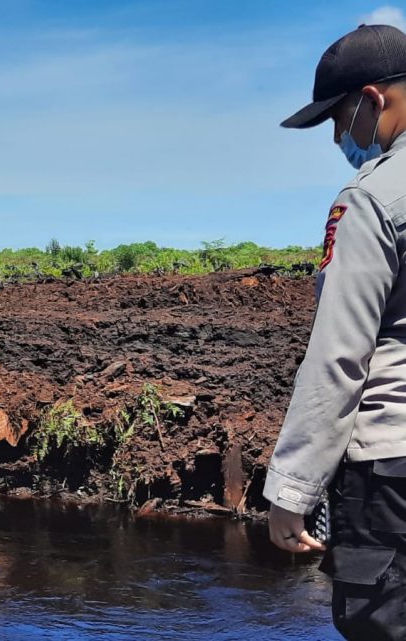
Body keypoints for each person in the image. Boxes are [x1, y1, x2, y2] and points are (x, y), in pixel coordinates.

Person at [267, 24, 406, 640]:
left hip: (391, 469)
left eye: (337, 117)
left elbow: (339, 356)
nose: (335, 135)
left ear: (374, 100)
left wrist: (292, 488)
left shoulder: (373, 198)